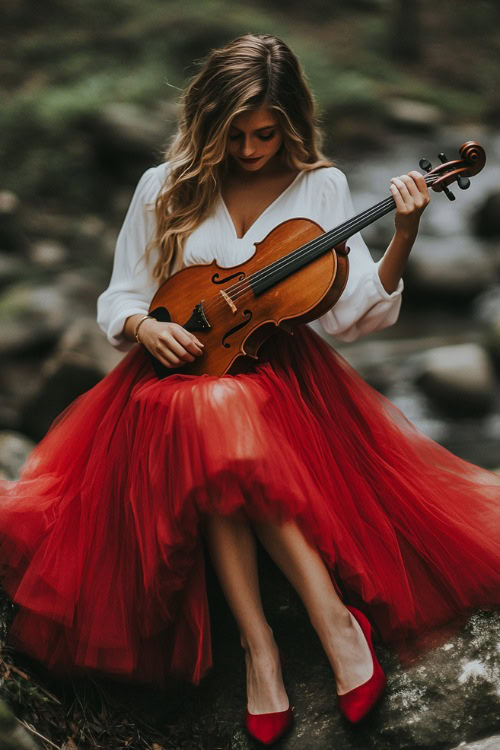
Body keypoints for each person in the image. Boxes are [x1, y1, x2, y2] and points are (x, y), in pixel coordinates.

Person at [0, 33, 499, 747]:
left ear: (291, 122)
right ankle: (292, 636)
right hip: (170, 382)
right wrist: (145, 328)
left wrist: (405, 232)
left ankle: (289, 637)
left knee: (224, 417)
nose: (253, 148)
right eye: (235, 134)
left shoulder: (319, 187)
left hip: (280, 380)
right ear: (208, 123)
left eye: (267, 132)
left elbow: (352, 313)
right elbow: (119, 297)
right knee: (210, 410)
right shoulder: (163, 184)